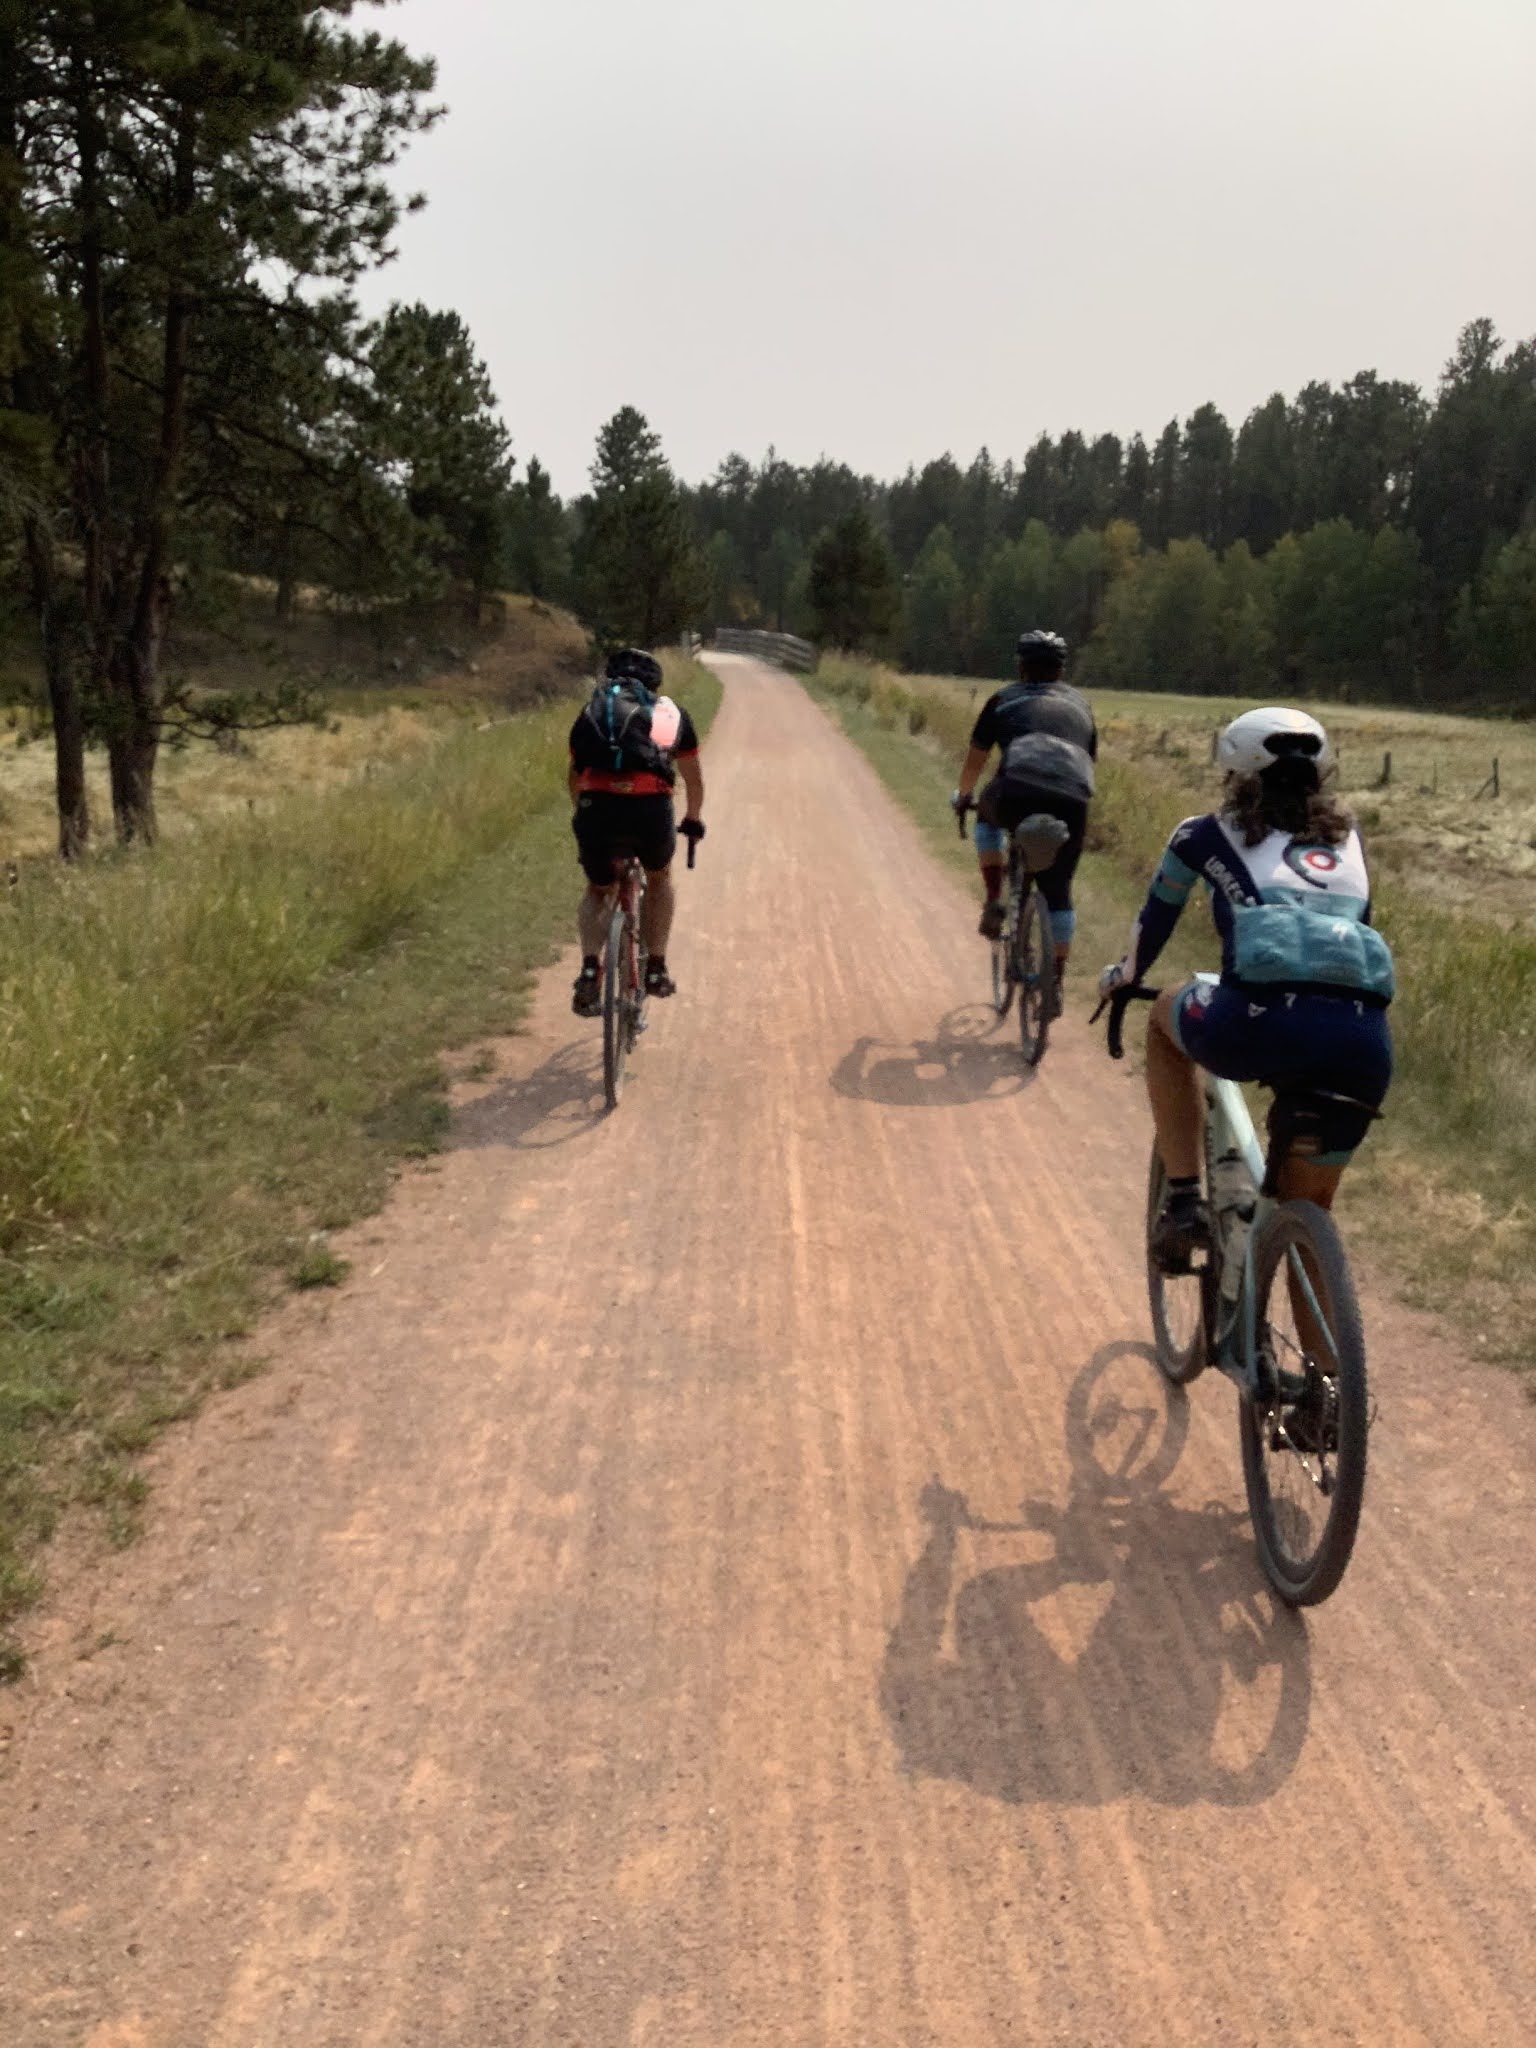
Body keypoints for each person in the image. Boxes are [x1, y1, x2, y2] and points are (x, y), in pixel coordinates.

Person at [1099, 707, 1394, 1266]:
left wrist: (1120, 980)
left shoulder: (1201, 834)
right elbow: (1352, 942)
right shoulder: (1351, 840)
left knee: (1163, 1016)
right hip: (1362, 1044)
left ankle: (1183, 1201)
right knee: (1308, 1217)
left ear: (1236, 774)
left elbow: (1153, 926)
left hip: (1254, 1025)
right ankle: (1323, 1325)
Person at [950, 629, 1097, 1009]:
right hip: (1073, 798)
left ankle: (994, 899)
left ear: (1020, 666)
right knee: (1059, 890)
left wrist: (963, 797)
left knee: (987, 818)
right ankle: (1056, 983)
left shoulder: (1002, 700)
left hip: (1017, 791)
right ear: (1061, 671)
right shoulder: (1081, 705)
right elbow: (1088, 761)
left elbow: (975, 761)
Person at [568, 648, 705, 1016]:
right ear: (654, 684)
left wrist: (584, 814)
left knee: (598, 889)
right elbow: (692, 779)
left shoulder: (593, 712)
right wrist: (692, 818)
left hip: (596, 808)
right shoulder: (665, 713)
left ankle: (590, 968)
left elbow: (575, 778)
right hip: (649, 810)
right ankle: (656, 967)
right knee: (659, 879)